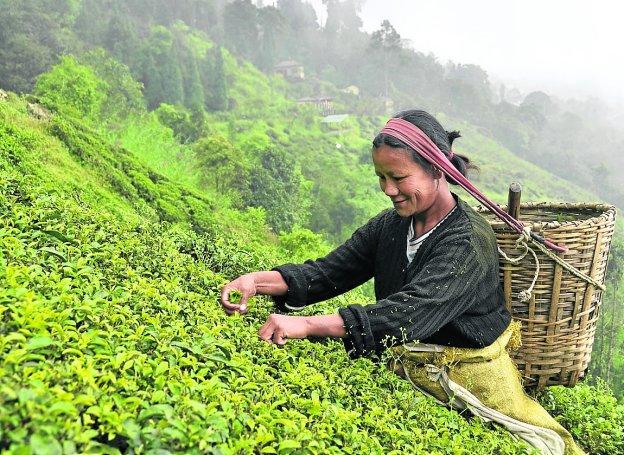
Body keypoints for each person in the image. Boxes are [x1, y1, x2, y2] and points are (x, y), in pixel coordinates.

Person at [219, 110, 585, 455]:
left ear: (437, 170)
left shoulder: (468, 242)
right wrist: (255, 281)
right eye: (381, 177)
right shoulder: (391, 225)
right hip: (405, 358)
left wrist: (306, 324)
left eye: (399, 178)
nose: (388, 189)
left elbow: (407, 314)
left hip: (468, 371)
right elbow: (329, 272)